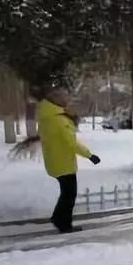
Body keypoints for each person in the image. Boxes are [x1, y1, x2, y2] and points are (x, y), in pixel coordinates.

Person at [36, 86, 100, 234]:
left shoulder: (47, 117)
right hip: (63, 162)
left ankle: (59, 218)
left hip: (54, 160)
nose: (67, 100)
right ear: (56, 101)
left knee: (66, 193)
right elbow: (71, 143)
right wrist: (90, 155)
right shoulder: (59, 120)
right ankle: (63, 223)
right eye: (64, 98)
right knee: (69, 194)